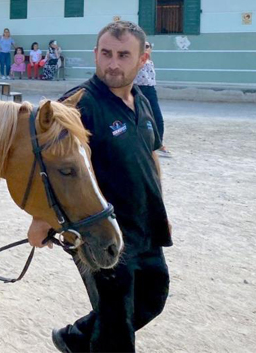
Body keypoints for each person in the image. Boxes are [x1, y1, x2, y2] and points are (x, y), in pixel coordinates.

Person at [27, 21, 173, 353]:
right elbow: (45, 165)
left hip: (145, 224)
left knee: (152, 297)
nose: (113, 64)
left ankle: (76, 339)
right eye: (106, 54)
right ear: (95, 54)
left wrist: (160, 206)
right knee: (117, 331)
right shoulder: (78, 105)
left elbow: (150, 157)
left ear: (142, 59)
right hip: (98, 232)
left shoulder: (143, 102)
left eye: (123, 55)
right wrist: (41, 219)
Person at [134, 41, 172, 158]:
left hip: (150, 90)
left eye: (147, 46)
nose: (144, 48)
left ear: (150, 49)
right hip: (137, 89)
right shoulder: (135, 61)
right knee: (137, 117)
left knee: (157, 117)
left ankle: (158, 144)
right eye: (142, 46)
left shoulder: (150, 62)